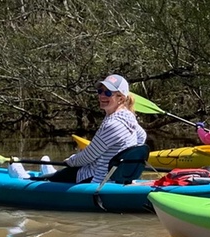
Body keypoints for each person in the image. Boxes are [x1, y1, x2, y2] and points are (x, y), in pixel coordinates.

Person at [17, 74, 147, 184]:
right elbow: (141, 137)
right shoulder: (130, 117)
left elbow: (89, 155)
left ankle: (24, 179)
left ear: (121, 98)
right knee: (67, 173)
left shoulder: (113, 124)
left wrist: (70, 161)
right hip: (112, 175)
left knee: (53, 179)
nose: (102, 96)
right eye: (100, 91)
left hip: (98, 178)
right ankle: (52, 173)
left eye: (108, 93)